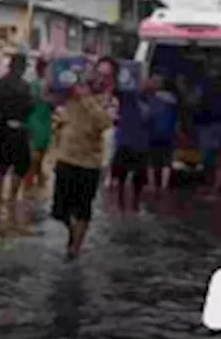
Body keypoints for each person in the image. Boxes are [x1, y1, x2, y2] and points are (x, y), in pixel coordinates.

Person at [50, 56, 118, 259]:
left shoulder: (110, 101)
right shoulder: (73, 91)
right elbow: (51, 99)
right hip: (66, 157)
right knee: (58, 212)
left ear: (111, 79)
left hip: (89, 163)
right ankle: (73, 234)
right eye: (99, 73)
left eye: (106, 75)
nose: (100, 78)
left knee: (83, 209)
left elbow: (104, 123)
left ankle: (75, 249)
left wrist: (87, 98)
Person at [0, 52, 34, 205]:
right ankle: (12, 197)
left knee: (3, 161)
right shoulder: (24, 86)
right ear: (21, 68)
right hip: (18, 128)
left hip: (1, 128)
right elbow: (29, 108)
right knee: (22, 163)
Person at [110, 73, 151, 212]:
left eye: (146, 82)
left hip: (142, 144)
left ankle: (135, 203)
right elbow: (115, 90)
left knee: (139, 177)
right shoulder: (127, 96)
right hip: (125, 142)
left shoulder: (152, 100)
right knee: (121, 175)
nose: (143, 85)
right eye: (141, 82)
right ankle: (120, 202)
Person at [145, 73, 179, 192]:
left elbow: (148, 115)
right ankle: (164, 185)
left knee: (151, 160)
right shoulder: (172, 99)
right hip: (168, 133)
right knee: (166, 160)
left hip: (153, 132)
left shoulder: (151, 98)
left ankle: (152, 184)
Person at [25, 57, 54, 189]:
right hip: (35, 120)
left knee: (42, 152)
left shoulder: (52, 86)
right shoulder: (34, 84)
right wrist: (42, 97)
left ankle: (37, 177)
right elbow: (30, 101)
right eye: (48, 69)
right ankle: (31, 179)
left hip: (46, 120)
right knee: (35, 154)